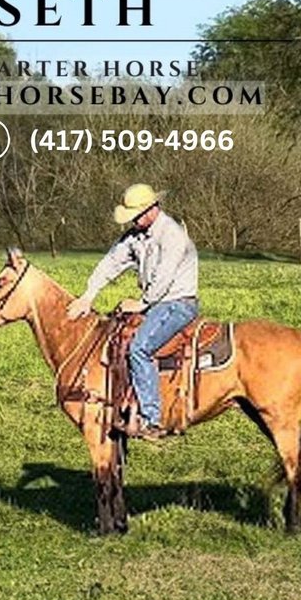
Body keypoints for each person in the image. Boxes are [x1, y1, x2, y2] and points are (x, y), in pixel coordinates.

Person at [65, 184, 199, 439]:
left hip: (177, 303)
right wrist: (88, 295)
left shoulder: (171, 235)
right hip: (156, 303)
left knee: (139, 348)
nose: (133, 221)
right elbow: (111, 263)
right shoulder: (135, 236)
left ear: (152, 209)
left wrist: (142, 303)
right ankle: (122, 402)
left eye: (136, 216)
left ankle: (151, 419)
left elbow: (164, 277)